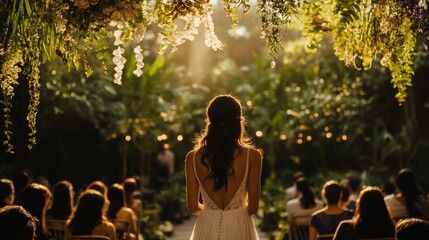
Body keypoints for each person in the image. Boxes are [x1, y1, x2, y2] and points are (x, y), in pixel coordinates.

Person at [185, 94, 263, 239]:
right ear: (239, 122)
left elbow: (192, 207)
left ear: (210, 121)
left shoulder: (192, 157)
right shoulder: (252, 156)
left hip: (206, 226)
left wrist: (212, 212)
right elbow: (253, 208)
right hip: (239, 226)